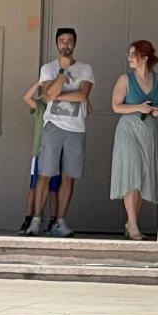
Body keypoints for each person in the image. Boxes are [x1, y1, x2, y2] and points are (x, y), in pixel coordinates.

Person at [26, 28, 94, 237]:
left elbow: (82, 95)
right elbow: (48, 93)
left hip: (76, 128)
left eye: (69, 40)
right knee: (45, 174)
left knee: (69, 177)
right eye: (62, 40)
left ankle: (59, 221)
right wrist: (62, 72)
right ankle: (36, 220)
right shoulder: (48, 68)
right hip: (53, 126)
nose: (66, 44)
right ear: (56, 44)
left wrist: (56, 96)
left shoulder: (85, 69)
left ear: (75, 43)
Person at [110, 40, 158, 240]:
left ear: (145, 57)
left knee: (142, 176)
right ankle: (132, 224)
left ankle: (131, 221)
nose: (129, 58)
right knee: (131, 173)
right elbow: (116, 106)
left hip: (148, 130)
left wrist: (157, 110)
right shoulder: (125, 79)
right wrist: (138, 107)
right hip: (128, 129)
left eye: (133, 54)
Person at [18, 81, 61, 235]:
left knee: (54, 189)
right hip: (40, 153)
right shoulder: (41, 107)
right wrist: (39, 83)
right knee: (35, 187)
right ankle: (28, 220)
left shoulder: (61, 109)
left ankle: (53, 222)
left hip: (57, 155)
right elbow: (26, 97)